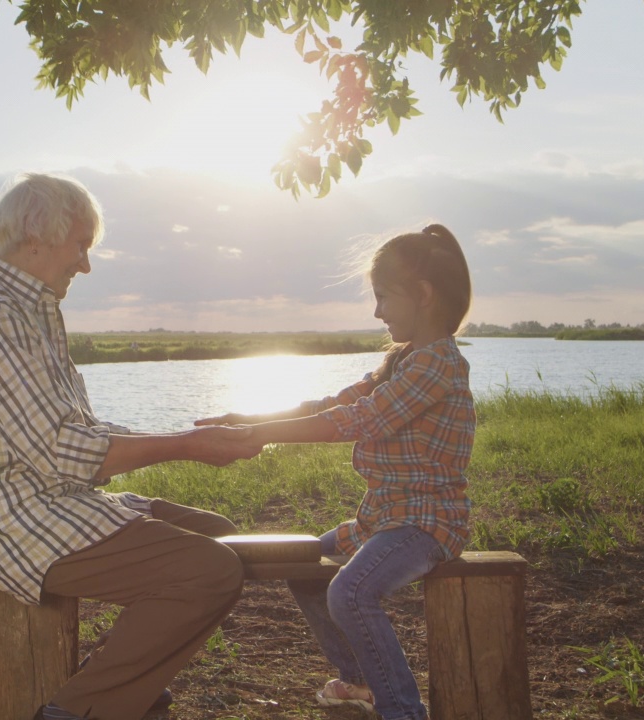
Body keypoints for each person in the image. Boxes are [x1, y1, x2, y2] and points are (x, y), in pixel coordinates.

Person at [0, 172, 262, 720]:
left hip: (48, 499)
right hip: (8, 520)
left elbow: (78, 430)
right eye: (80, 245)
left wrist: (192, 434)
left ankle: (119, 693)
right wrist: (188, 445)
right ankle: (75, 711)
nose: (85, 263)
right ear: (36, 237)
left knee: (222, 537)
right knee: (209, 570)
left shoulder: (30, 310)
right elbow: (66, 451)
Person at [197, 224, 474, 720]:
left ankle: (404, 712)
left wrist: (263, 438)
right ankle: (360, 683)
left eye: (383, 297)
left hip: (426, 524)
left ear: (424, 295)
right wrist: (251, 419)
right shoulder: (404, 360)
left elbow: (356, 420)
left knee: (351, 591)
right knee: (302, 568)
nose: (377, 311)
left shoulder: (437, 366)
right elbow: (334, 403)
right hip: (383, 520)